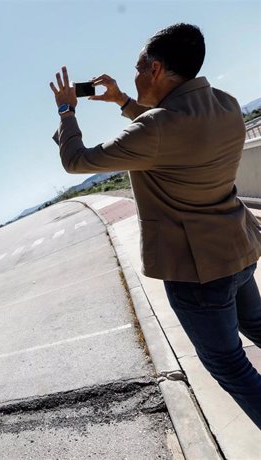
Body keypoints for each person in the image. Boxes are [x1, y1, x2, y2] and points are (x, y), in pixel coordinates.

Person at [49, 23, 261, 428]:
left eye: (138, 67)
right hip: (240, 250)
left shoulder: (155, 129)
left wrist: (66, 110)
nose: (134, 74)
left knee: (232, 367)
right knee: (258, 326)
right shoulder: (226, 103)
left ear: (156, 69)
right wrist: (123, 100)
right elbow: (175, 128)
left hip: (199, 272)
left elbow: (76, 160)